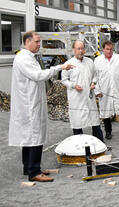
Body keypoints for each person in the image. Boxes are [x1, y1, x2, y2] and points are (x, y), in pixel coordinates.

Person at [9, 31, 75, 182]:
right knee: (34, 137)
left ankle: (29, 168)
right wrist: (60, 67)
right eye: (37, 42)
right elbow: (38, 75)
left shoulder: (28, 57)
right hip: (29, 105)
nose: (39, 44)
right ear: (27, 42)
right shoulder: (23, 58)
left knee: (30, 137)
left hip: (32, 103)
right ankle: (34, 172)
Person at [61, 40, 104, 142]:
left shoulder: (89, 62)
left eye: (82, 48)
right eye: (78, 49)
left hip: (89, 97)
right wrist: (73, 85)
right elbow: (64, 80)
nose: (80, 51)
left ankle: (99, 142)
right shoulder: (68, 64)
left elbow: (95, 75)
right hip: (76, 97)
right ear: (74, 50)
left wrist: (93, 83)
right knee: (77, 122)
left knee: (95, 121)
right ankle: (78, 144)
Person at [94, 40, 119, 139]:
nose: (109, 51)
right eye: (107, 49)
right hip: (104, 91)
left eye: (111, 49)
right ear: (103, 49)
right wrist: (97, 91)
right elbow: (95, 77)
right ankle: (108, 132)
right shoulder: (97, 61)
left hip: (117, 89)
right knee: (106, 111)